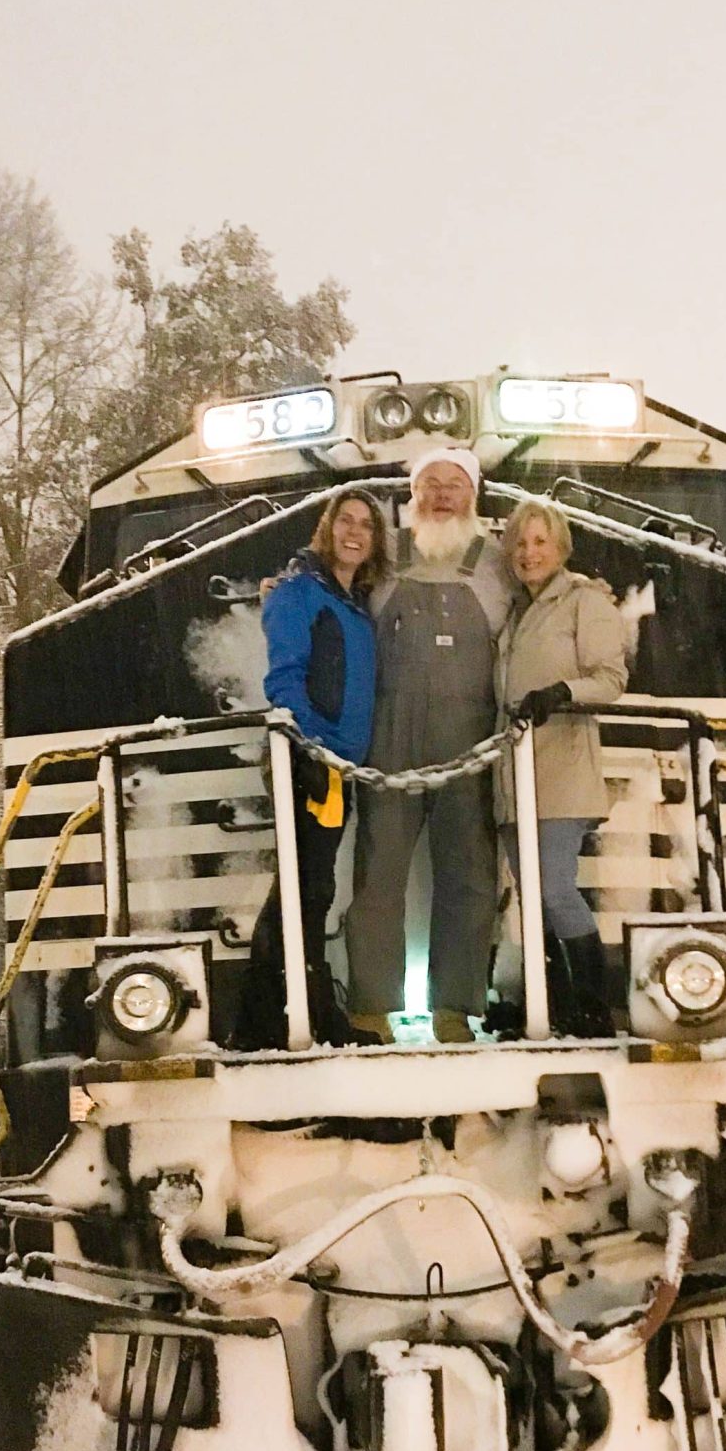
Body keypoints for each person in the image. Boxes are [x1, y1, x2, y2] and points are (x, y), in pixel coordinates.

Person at [342, 448, 511, 1045]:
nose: (442, 494)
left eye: (454, 484)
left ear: (474, 495)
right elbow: (327, 579)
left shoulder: (499, 563)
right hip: (390, 735)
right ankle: (370, 1008)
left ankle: (454, 1010)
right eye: (430, 484)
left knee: (468, 874)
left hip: (472, 737)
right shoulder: (383, 555)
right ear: (412, 494)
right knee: (378, 874)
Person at [231, 489, 386, 1049]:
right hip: (310, 763)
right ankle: (295, 1021)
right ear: (327, 529)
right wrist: (314, 749)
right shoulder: (301, 594)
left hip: (337, 767)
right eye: (345, 520)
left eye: (366, 525)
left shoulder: (350, 601)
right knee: (304, 890)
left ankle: (273, 1020)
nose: (355, 532)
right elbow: (285, 681)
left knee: (309, 891)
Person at [494, 497, 629, 1037]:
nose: (529, 553)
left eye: (540, 541)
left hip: (562, 772)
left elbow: (611, 678)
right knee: (533, 896)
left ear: (562, 547)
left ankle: (593, 1008)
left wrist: (561, 692)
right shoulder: (513, 611)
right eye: (520, 543)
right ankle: (552, 1009)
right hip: (513, 778)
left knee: (554, 889)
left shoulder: (584, 601)